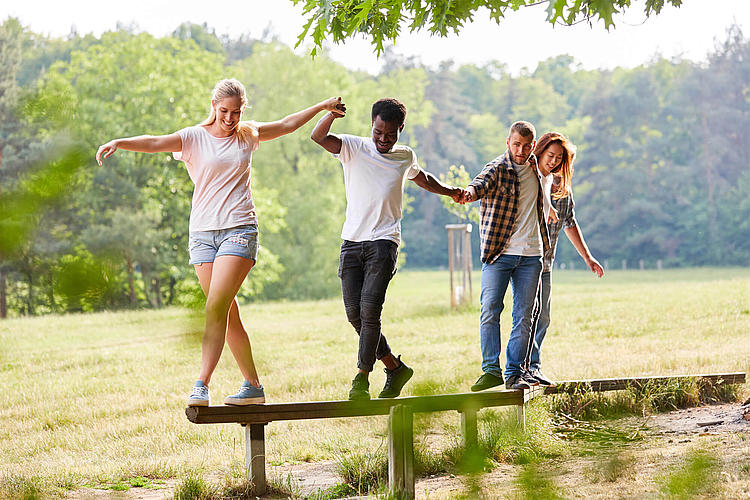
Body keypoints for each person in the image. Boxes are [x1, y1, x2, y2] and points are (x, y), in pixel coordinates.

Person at [96, 78, 345, 407]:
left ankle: (201, 383)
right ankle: (253, 386)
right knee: (227, 313)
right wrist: (120, 142)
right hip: (201, 235)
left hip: (239, 230)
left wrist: (321, 107)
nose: (230, 118)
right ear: (213, 107)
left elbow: (286, 124)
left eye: (237, 112)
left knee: (215, 307)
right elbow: (155, 141)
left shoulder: (248, 134)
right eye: (225, 111)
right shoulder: (193, 138)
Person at [311, 98, 464, 400]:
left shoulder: (404, 156)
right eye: (378, 132)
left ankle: (361, 379)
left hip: (384, 242)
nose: (383, 139)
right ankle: (394, 367)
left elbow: (423, 178)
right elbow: (318, 137)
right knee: (354, 315)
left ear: (400, 130)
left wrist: (451, 192)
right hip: (352, 242)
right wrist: (330, 115)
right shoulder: (353, 147)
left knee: (370, 312)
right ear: (372, 125)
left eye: (390, 134)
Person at [462, 121, 551, 391]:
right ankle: (491, 370)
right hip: (499, 253)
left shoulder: (538, 168)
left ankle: (514, 373)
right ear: (507, 142)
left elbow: (558, 166)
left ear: (533, 145)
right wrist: (468, 193)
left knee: (524, 315)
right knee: (490, 309)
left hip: (531, 255)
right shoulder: (498, 168)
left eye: (526, 146)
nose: (521, 150)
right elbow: (479, 184)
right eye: (516, 145)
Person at [529, 132, 604, 387]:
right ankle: (520, 369)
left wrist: (588, 257)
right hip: (524, 262)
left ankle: (533, 366)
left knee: (543, 316)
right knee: (527, 316)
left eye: (559, 158)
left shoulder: (563, 191)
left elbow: (569, 223)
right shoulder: (529, 179)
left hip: (545, 263)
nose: (553, 161)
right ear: (539, 152)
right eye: (550, 156)